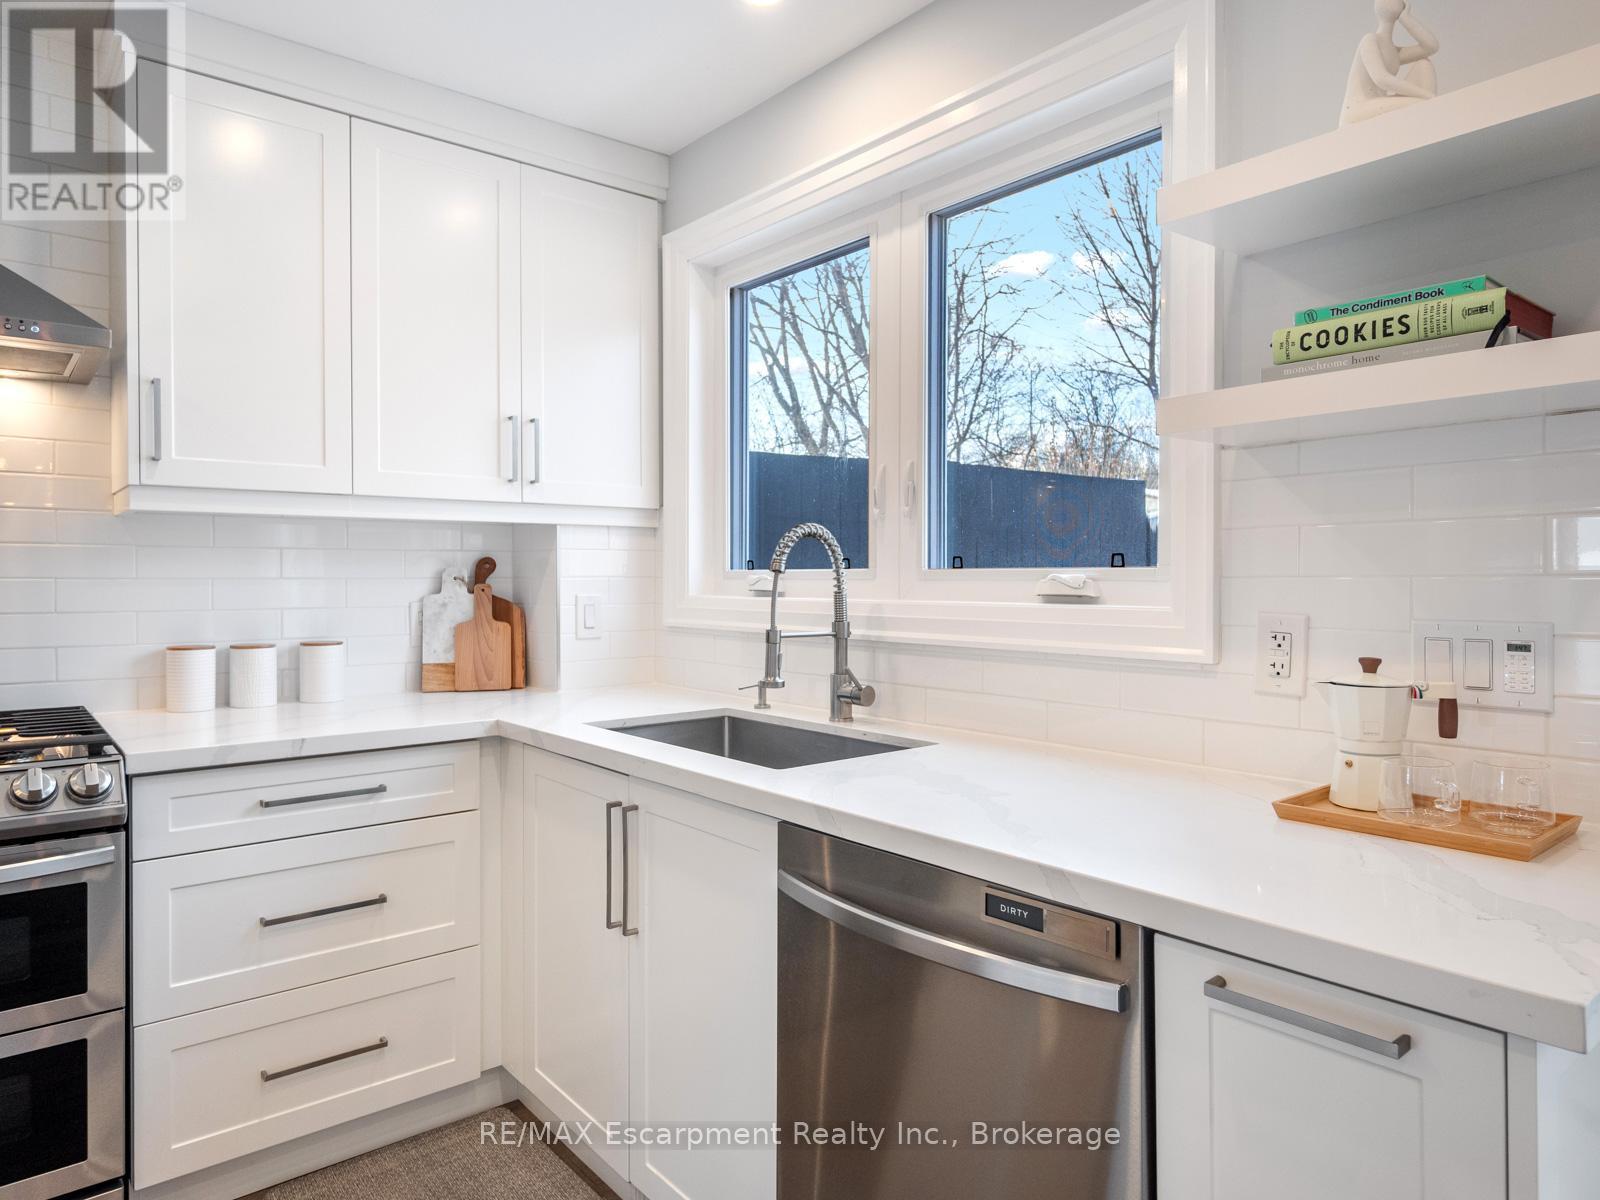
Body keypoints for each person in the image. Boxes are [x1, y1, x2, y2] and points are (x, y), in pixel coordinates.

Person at [1340, 0, 1440, 126]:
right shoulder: (1369, 40)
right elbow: (1382, 79)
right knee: (1419, 103)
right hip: (1358, 109)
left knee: (1424, 64)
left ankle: (1426, 116)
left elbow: (1431, 47)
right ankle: (1427, 113)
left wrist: (1406, 19)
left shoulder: (1394, 52)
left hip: (1379, 102)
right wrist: (1427, 96)